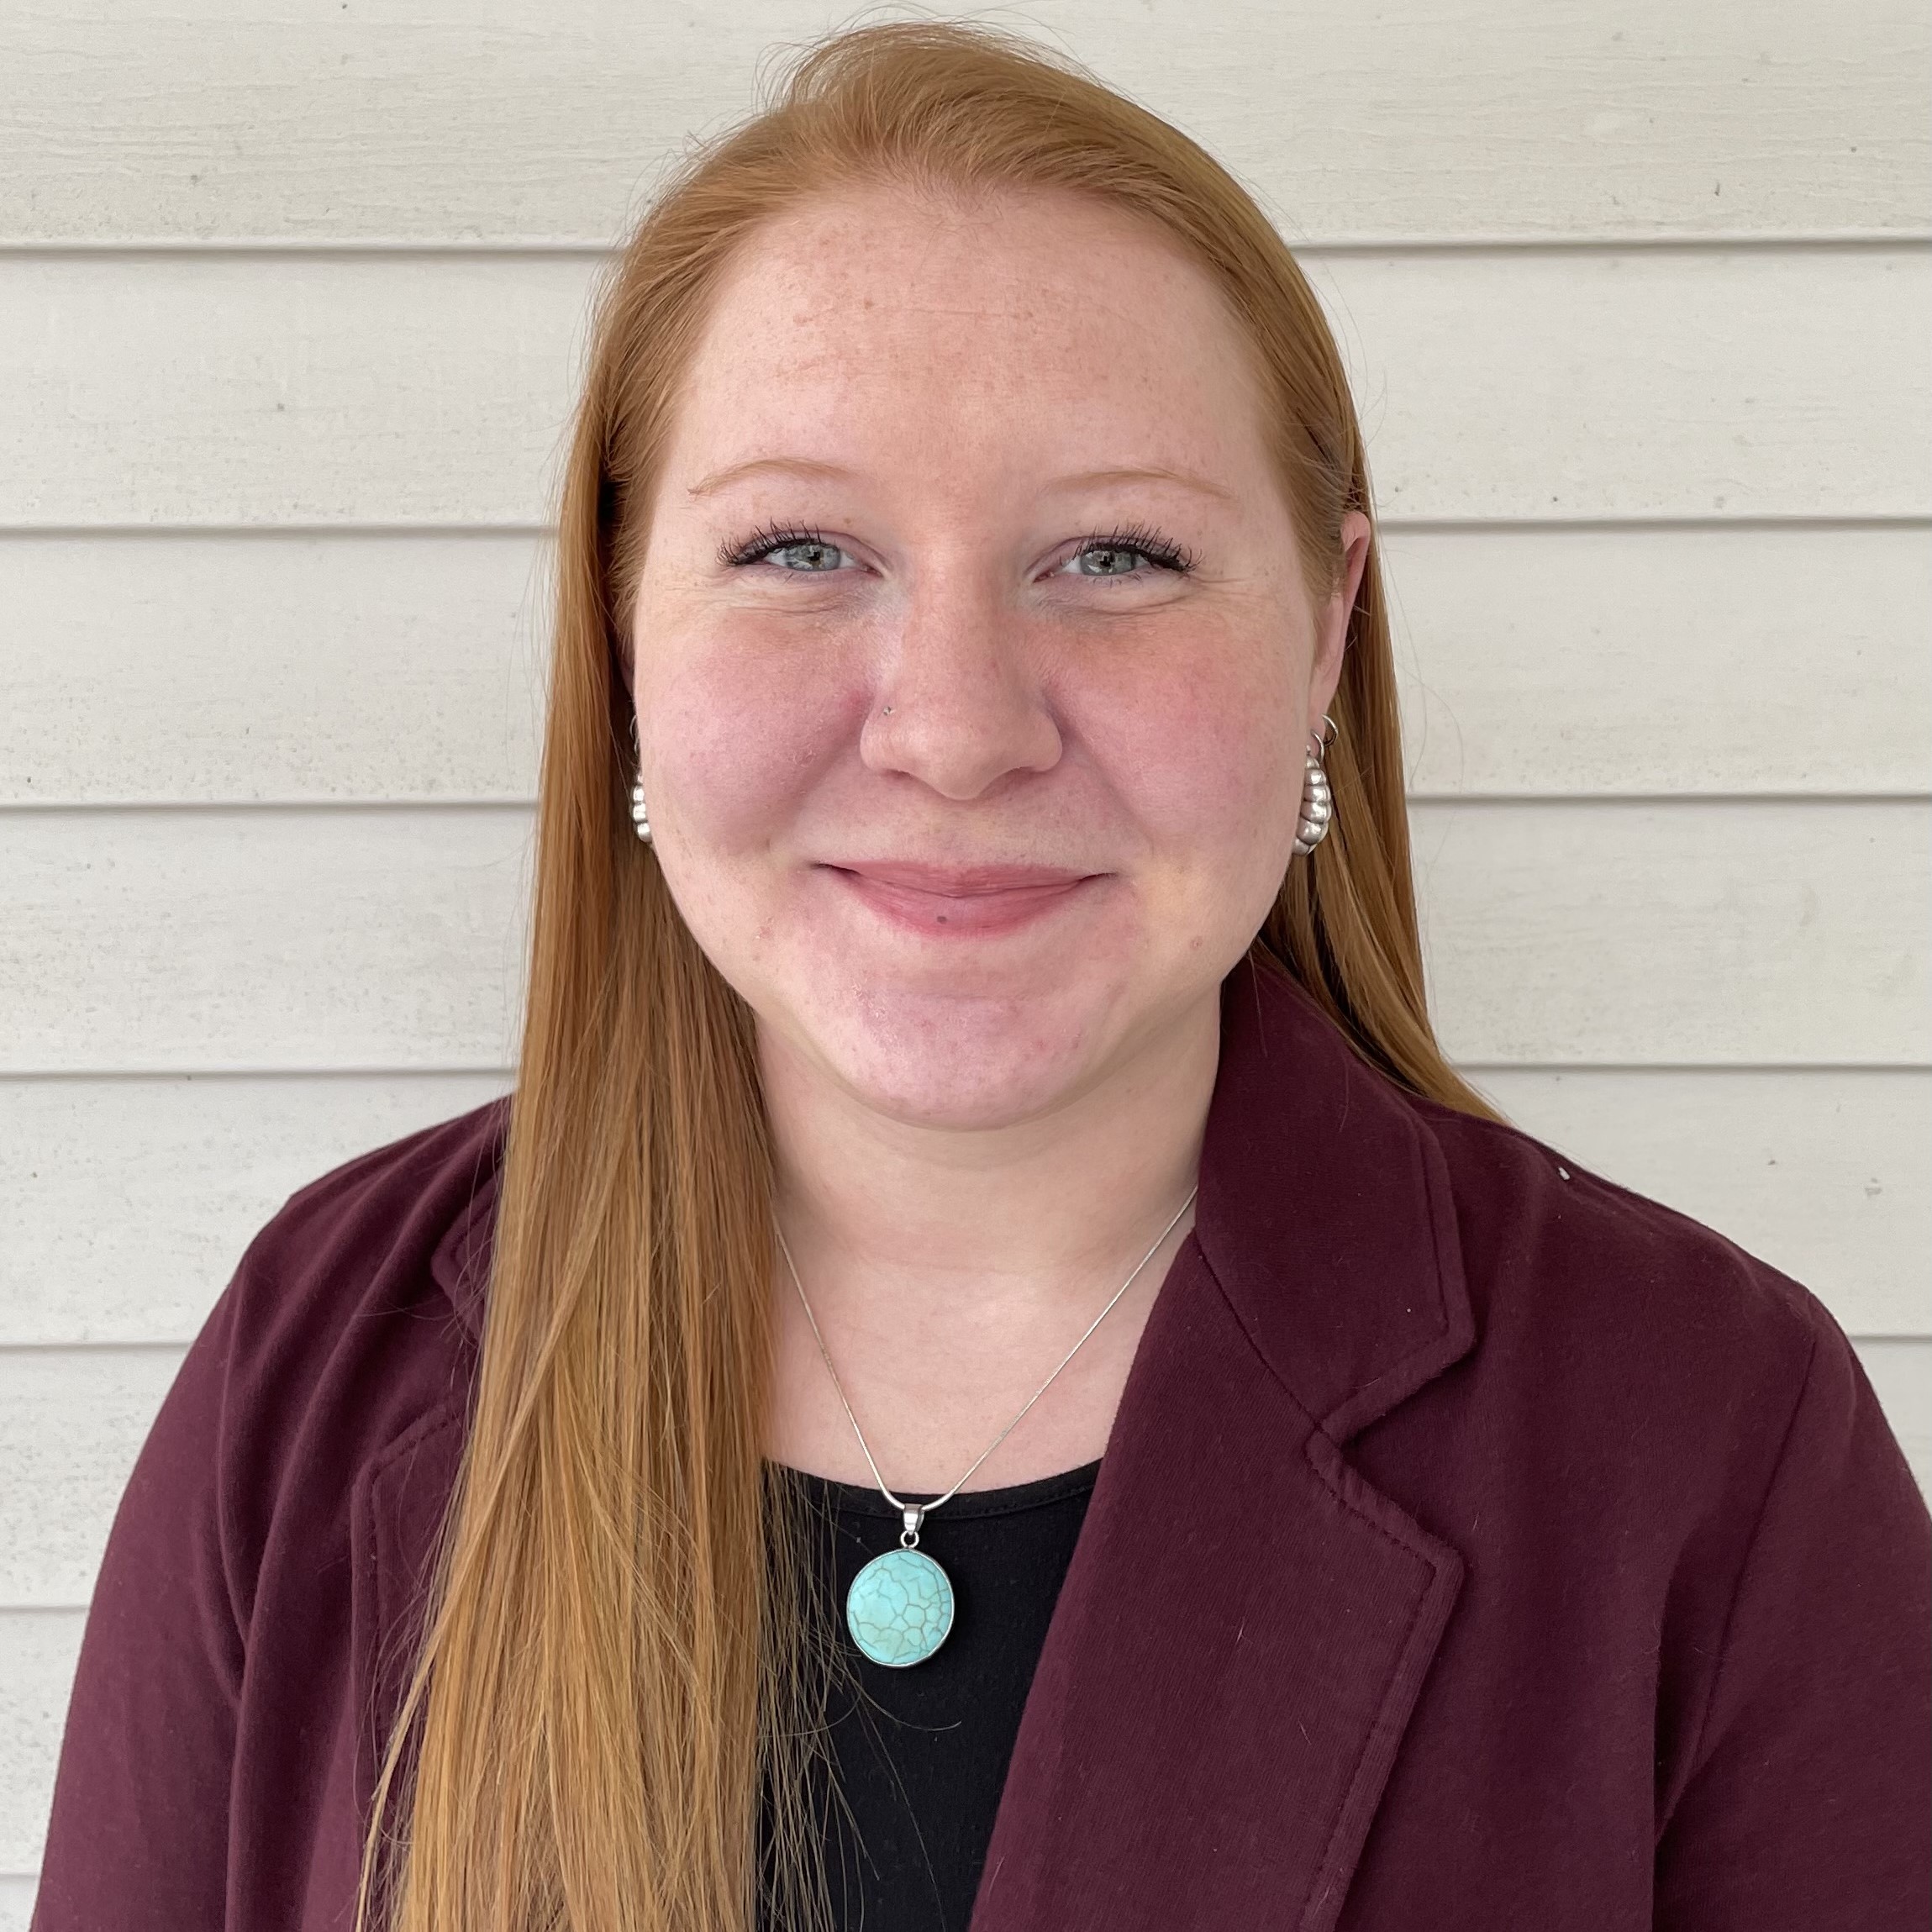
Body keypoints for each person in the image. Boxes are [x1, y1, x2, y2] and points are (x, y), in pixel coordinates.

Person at [30, 20, 1929, 1932]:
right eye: (799, 547)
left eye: (1114, 553)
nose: (953, 730)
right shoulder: (315, 1373)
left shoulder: (1702, 1435)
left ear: (1328, 625)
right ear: (615, 629)